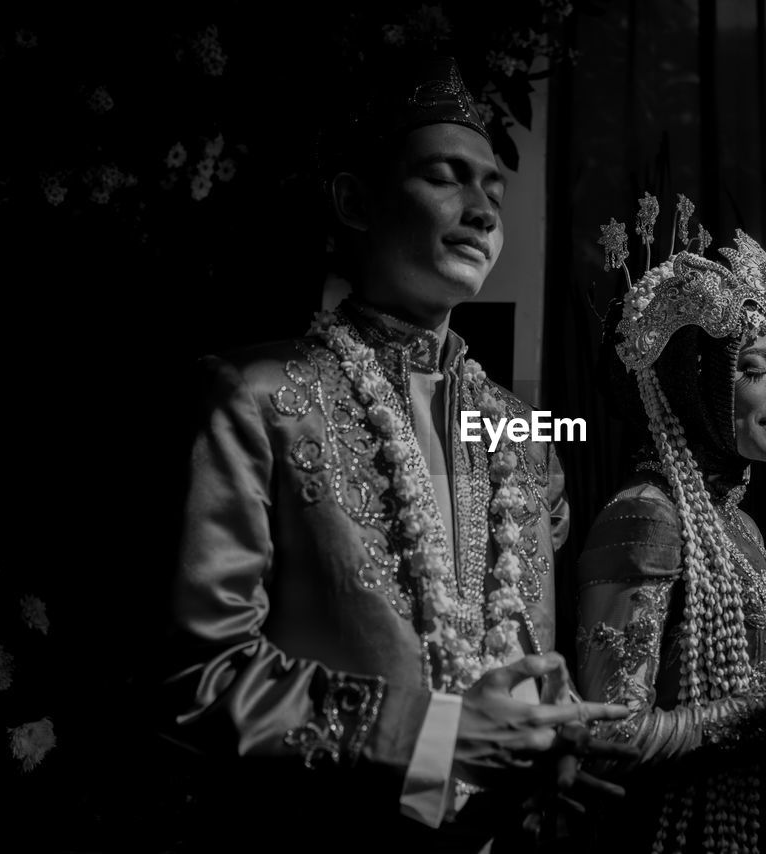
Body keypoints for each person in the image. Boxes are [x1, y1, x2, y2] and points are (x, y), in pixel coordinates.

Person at [162, 56, 629, 851]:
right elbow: (199, 682)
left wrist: (549, 743)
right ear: (355, 201)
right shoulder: (257, 395)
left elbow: (525, 650)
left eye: (494, 192)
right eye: (448, 177)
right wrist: (431, 733)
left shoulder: (517, 428)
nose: (482, 211)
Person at [575, 196, 766, 853]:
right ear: (694, 386)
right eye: (753, 370)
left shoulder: (740, 529)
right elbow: (610, 735)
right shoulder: (646, 517)